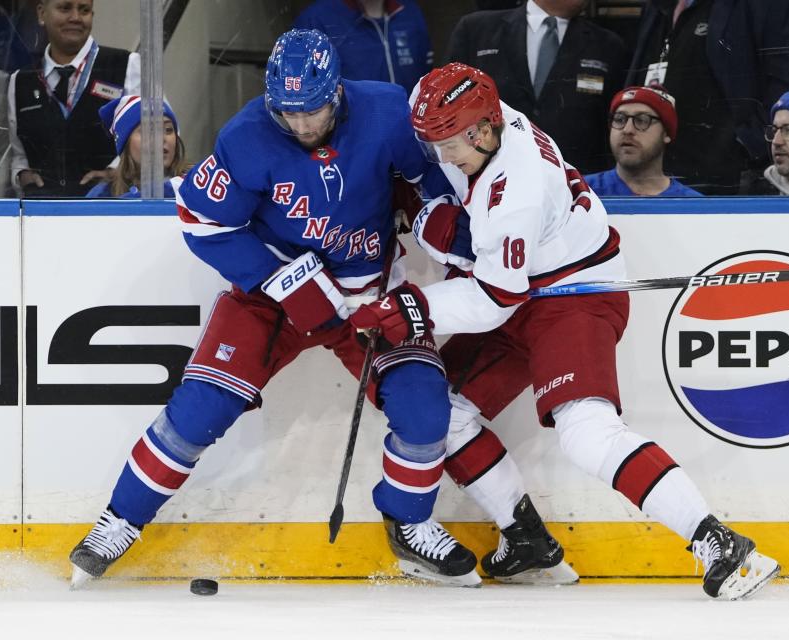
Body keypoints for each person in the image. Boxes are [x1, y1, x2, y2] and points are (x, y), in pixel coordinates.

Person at [350, 62, 781, 599]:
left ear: (483, 131)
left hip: (572, 295)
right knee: (445, 412)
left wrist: (411, 307)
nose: (441, 158)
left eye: (449, 146)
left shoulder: (517, 191)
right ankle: (527, 541)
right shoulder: (475, 115)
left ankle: (719, 542)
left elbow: (492, 298)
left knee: (586, 432)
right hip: (525, 285)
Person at [68, 29, 480, 589]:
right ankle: (118, 520)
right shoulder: (246, 136)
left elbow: (434, 184)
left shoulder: (385, 110)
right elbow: (202, 221)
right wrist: (284, 280)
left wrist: (448, 230)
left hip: (366, 294)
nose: (304, 126)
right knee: (200, 409)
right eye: (290, 114)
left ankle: (410, 525)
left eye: (314, 111)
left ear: (337, 92)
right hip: (271, 298)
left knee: (425, 405)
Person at [626, 0, 789, 194]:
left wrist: (747, 145)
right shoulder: (655, 7)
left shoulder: (764, 5)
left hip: (725, 180)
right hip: (658, 176)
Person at [445, 0, 628, 174]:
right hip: (490, 181)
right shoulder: (476, 30)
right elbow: (448, 109)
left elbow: (612, 128)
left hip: (574, 188)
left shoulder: (608, 46)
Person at [8, 0, 140, 197]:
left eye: (84, 10)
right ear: (42, 14)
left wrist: (117, 172)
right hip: (42, 216)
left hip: (112, 212)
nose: (76, 18)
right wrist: (22, 175)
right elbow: (19, 155)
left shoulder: (127, 66)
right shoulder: (19, 81)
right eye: (65, 8)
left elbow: (158, 138)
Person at [293, 0, 432, 96]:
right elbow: (302, 92)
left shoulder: (409, 12)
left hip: (409, 127)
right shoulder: (315, 21)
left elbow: (425, 74)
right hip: (351, 132)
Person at [585, 85, 701, 196]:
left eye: (642, 120)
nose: (627, 129)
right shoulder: (580, 192)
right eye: (619, 119)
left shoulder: (694, 207)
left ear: (666, 132)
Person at [86, 95, 188, 198]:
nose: (160, 138)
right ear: (125, 144)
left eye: (168, 129)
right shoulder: (102, 196)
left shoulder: (194, 188)